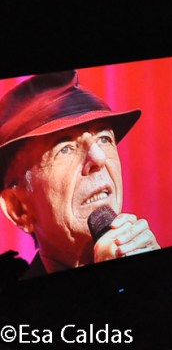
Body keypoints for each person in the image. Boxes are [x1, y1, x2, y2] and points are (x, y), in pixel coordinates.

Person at [0, 71, 160, 278]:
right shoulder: (16, 307)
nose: (98, 158)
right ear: (18, 208)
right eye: (65, 149)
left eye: (104, 138)